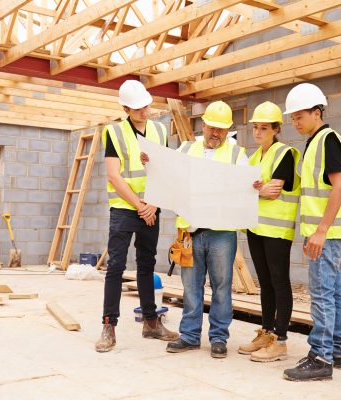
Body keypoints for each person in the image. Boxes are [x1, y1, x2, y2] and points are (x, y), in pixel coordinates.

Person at [95, 80, 178, 353]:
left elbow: (164, 170)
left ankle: (151, 323)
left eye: (146, 105)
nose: (145, 111)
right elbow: (113, 175)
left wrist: (152, 204)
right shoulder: (114, 132)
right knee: (116, 267)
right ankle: (109, 326)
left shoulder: (159, 130)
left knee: (146, 264)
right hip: (124, 208)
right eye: (139, 108)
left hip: (150, 208)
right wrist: (139, 204)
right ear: (126, 108)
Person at [165, 101, 248, 358]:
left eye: (222, 130)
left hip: (221, 232)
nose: (216, 134)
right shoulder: (186, 149)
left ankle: (218, 338)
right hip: (190, 231)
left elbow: (246, 188)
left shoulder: (237, 155)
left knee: (222, 286)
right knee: (191, 286)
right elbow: (169, 176)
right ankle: (189, 336)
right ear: (203, 125)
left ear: (228, 131)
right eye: (212, 128)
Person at [282, 83, 341, 381]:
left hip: (327, 236)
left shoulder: (327, 140)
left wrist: (320, 230)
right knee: (334, 294)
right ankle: (337, 348)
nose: (295, 122)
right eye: (292, 118)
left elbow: (339, 186)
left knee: (322, 295)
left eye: (299, 116)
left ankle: (320, 357)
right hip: (326, 235)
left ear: (317, 113)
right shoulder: (316, 141)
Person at [238, 102, 300, 362]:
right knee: (264, 282)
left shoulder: (284, 153)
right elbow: (246, 189)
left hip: (276, 230)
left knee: (279, 281)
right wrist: (255, 189)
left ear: (276, 129)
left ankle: (281, 341)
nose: (258, 132)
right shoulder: (254, 157)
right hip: (256, 228)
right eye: (255, 127)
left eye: (264, 127)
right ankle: (266, 332)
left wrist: (255, 190)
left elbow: (273, 191)